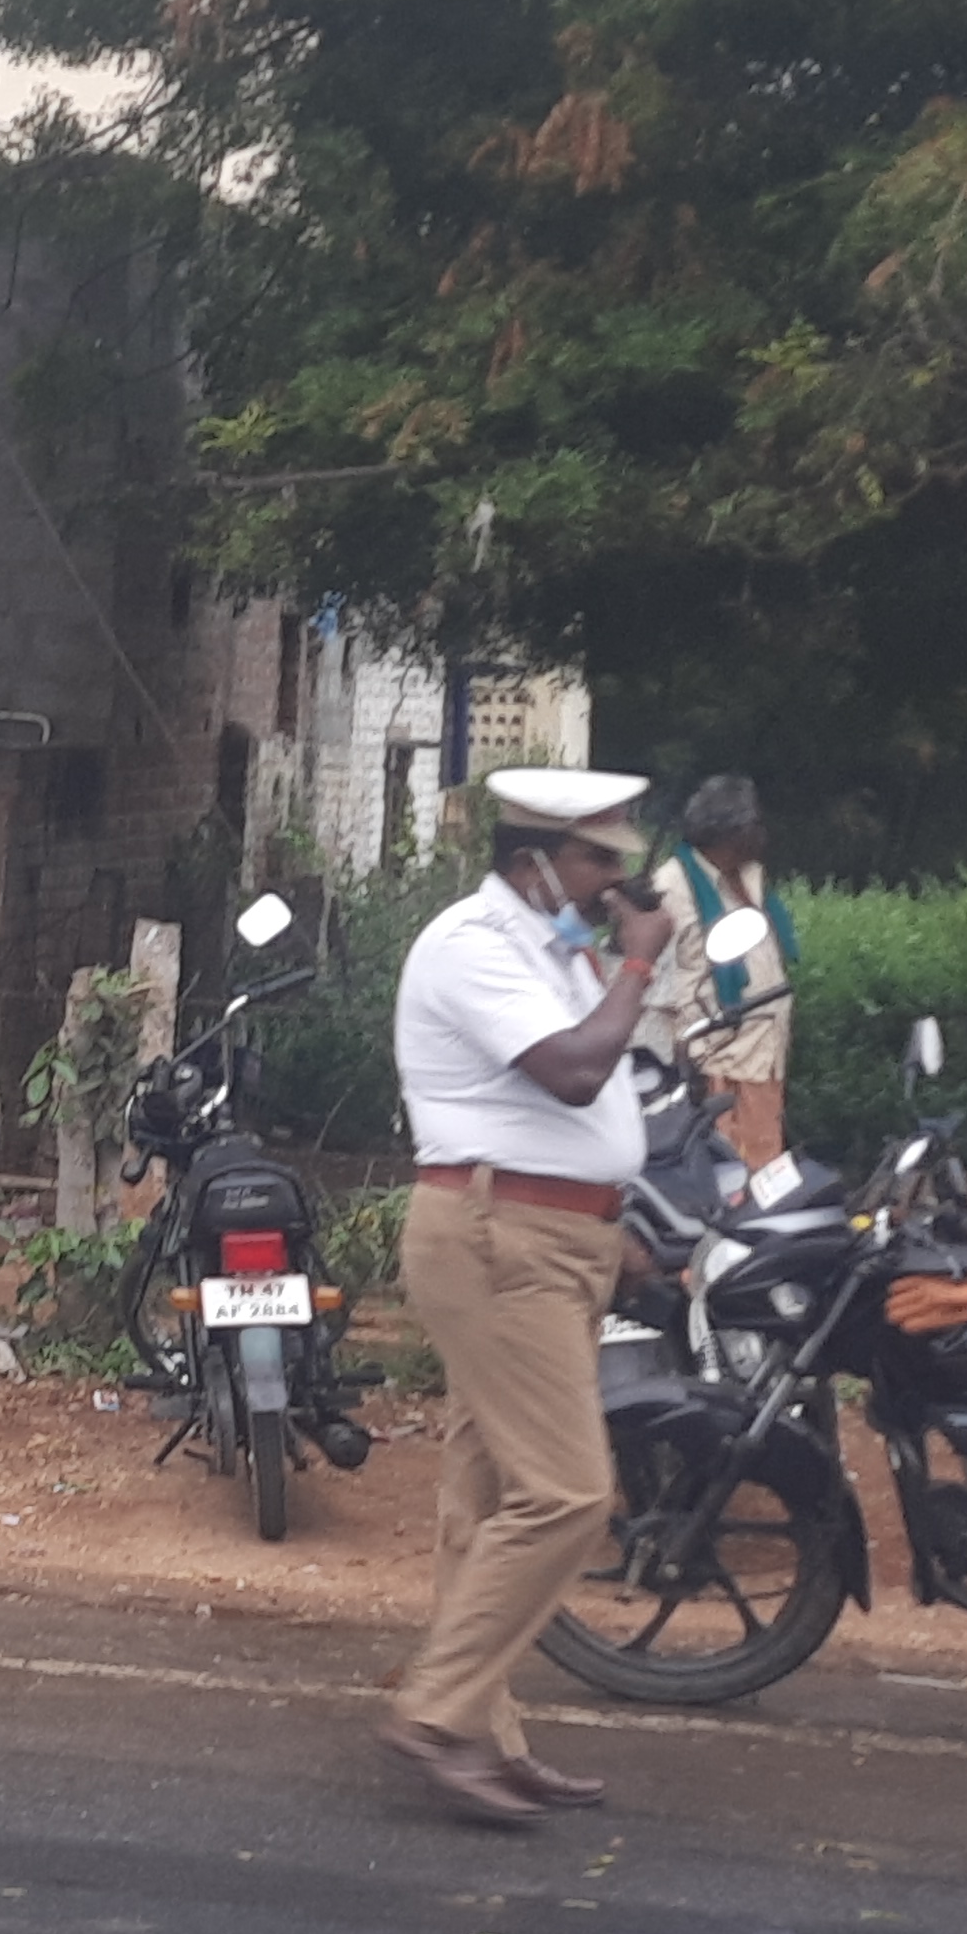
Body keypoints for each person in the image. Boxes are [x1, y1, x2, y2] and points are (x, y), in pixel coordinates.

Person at [380, 765, 677, 1823]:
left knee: (490, 1500)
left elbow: (588, 1106)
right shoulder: (472, 943)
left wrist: (613, 1216)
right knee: (565, 1493)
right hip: (496, 1239)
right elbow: (572, 1073)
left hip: (553, 1237)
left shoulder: (553, 948)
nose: (617, 880)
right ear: (532, 861)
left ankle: (480, 1729)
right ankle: (433, 1712)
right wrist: (636, 966)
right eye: (601, 860)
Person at [648, 773, 794, 1167]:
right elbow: (657, 993)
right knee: (718, 1182)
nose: (763, 835)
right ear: (731, 832)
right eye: (755, 825)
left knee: (761, 1188)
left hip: (761, 1064)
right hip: (711, 1070)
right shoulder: (671, 888)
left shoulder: (750, 880)